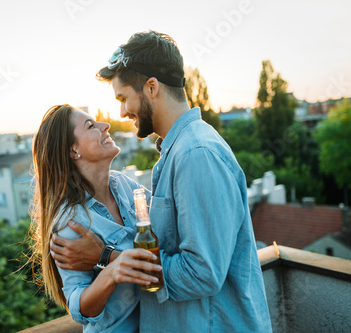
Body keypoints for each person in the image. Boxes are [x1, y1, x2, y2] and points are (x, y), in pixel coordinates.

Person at [50, 31, 273, 332]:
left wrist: (107, 256)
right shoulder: (176, 152)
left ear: (151, 88)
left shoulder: (196, 154)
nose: (121, 112)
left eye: (123, 97)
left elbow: (200, 274)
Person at [30, 104, 162, 332]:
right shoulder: (71, 222)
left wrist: (105, 255)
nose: (106, 125)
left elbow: (168, 227)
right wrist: (111, 271)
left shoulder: (123, 184)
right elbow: (80, 308)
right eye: (91, 126)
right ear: (73, 151)